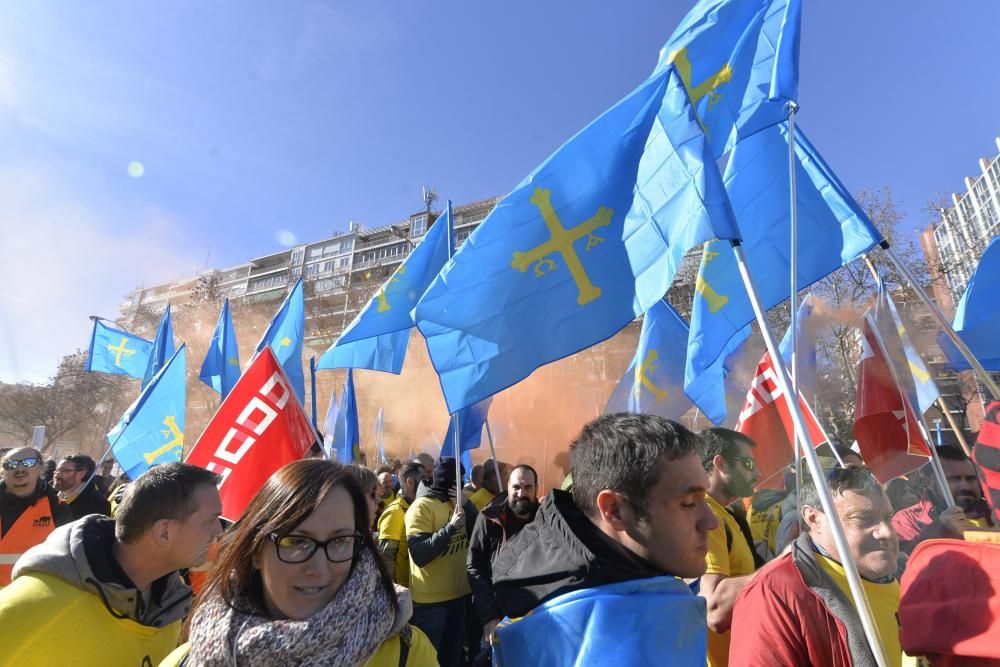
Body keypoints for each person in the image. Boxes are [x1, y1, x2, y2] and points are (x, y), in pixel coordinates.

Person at [490, 414, 719, 665]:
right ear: (614, 510)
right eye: (688, 503)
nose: (712, 522)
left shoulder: (548, 600)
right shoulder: (627, 641)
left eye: (704, 500)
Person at [162, 459, 435, 666]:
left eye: (339, 541)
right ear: (256, 552)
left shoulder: (408, 655)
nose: (318, 568)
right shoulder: (186, 661)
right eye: (296, 541)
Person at [0, 463, 223, 666]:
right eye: (211, 520)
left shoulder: (168, 608)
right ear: (164, 531)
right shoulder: (35, 606)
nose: (219, 532)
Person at [730, 467, 902, 667]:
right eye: (863, 519)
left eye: (888, 518)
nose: (887, 533)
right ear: (814, 519)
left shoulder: (909, 576)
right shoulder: (776, 592)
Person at [697, 427, 763, 667]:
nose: (758, 472)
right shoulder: (707, 515)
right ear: (720, 463)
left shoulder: (724, 514)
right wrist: (781, 565)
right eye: (748, 463)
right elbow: (713, 606)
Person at [406, 458, 477, 667]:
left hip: (458, 596)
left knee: (452, 659)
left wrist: (468, 506)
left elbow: (480, 535)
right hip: (431, 603)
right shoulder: (421, 508)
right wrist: (450, 528)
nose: (462, 484)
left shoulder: (460, 503)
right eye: (458, 480)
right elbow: (420, 554)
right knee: (428, 661)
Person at [467, 464, 539, 646]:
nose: (521, 493)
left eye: (528, 487)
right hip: (497, 617)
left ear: (536, 489)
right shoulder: (488, 518)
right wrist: (488, 616)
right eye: (516, 487)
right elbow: (475, 566)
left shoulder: (547, 519)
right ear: (508, 487)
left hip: (537, 616)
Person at [892, 445, 989, 555]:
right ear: (928, 482)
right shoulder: (907, 521)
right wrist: (938, 530)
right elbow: (900, 565)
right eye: (953, 479)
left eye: (971, 479)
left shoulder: (994, 514)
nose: (965, 486)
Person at [0, 447, 70, 587]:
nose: (20, 468)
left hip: (24, 597)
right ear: (3, 470)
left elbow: (66, 558)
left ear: (40, 467)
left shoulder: (57, 507)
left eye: (28, 462)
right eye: (11, 464)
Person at [378, 462, 424, 585]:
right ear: (410, 482)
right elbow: (386, 558)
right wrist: (395, 594)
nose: (426, 483)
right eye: (422, 479)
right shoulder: (395, 512)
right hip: (403, 592)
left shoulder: (419, 508)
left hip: (417, 586)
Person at [53, 454, 111, 521]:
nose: (57, 474)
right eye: (57, 470)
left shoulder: (98, 504)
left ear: (81, 474)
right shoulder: (51, 496)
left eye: (64, 470)